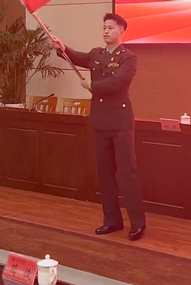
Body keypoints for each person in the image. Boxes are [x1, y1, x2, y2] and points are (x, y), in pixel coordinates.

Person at [51, 13, 146, 241]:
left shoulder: (128, 58)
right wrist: (63, 47)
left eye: (110, 27)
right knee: (104, 174)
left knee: (127, 173)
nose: (106, 31)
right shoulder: (97, 54)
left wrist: (92, 86)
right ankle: (112, 220)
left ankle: (138, 223)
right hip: (100, 121)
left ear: (121, 31)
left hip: (121, 122)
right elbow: (78, 57)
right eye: (104, 27)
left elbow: (117, 82)